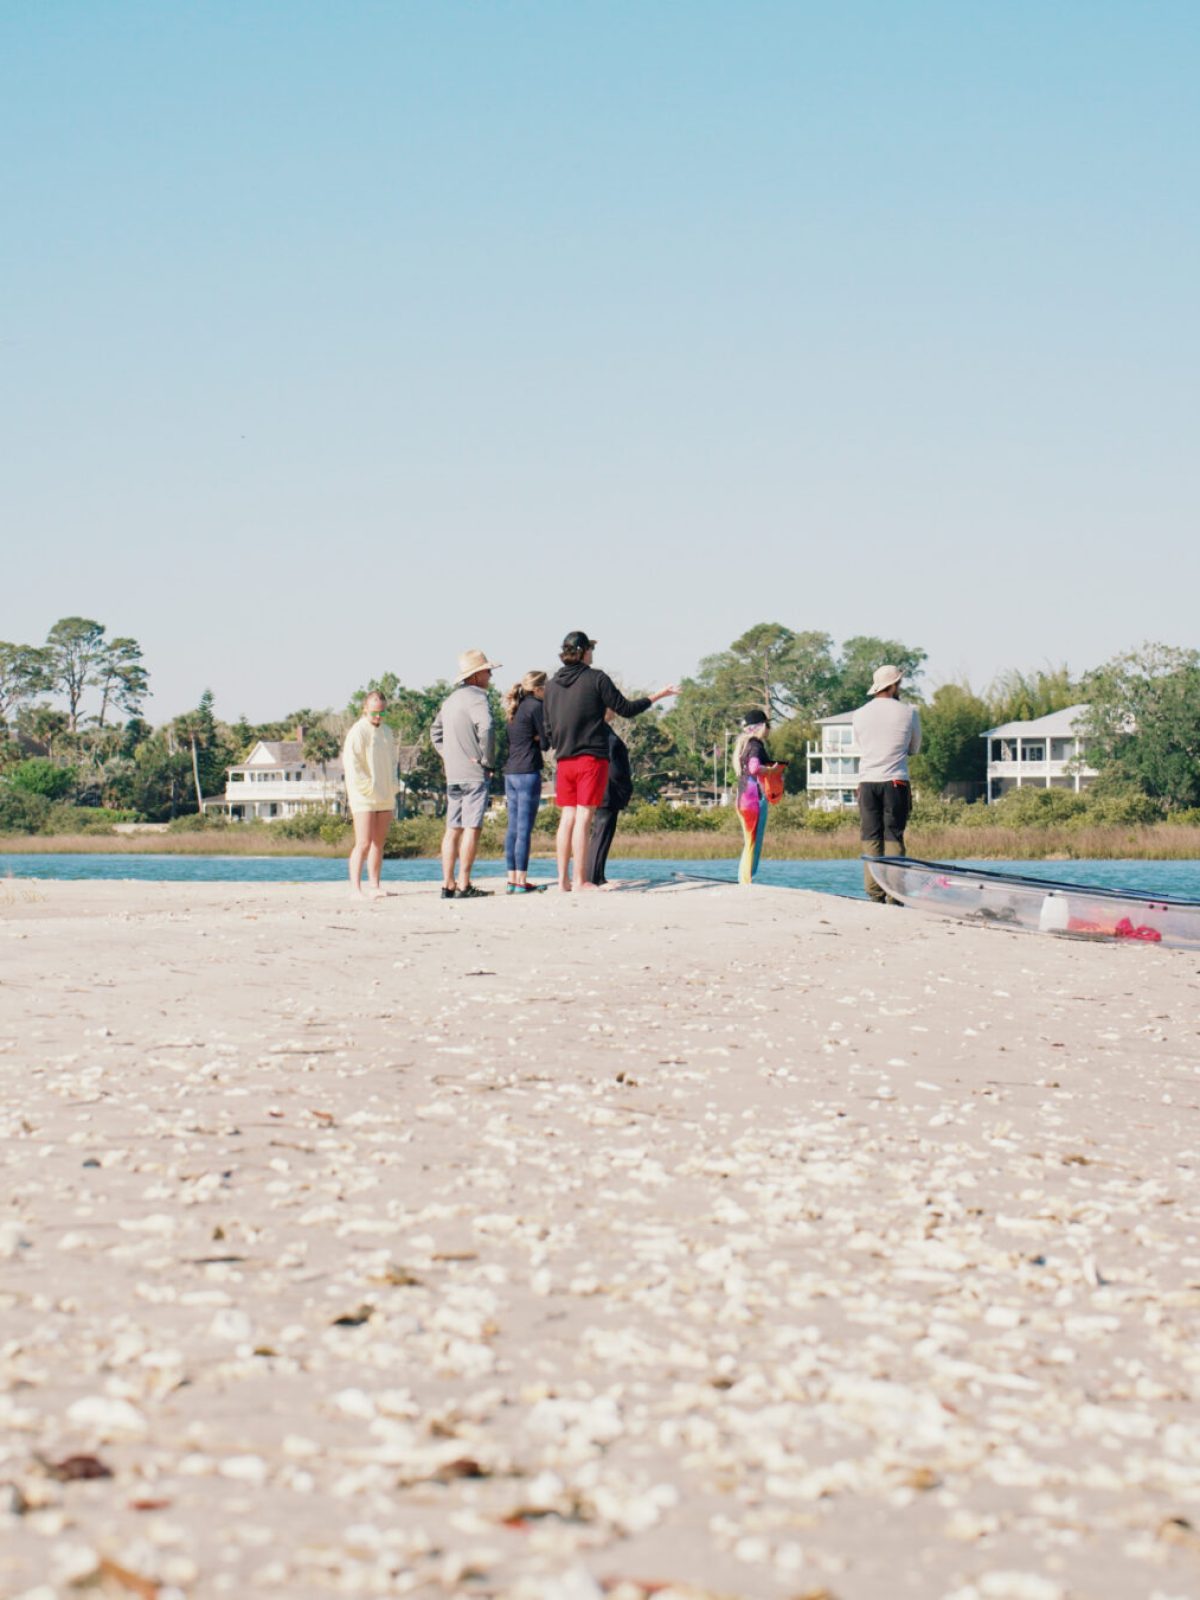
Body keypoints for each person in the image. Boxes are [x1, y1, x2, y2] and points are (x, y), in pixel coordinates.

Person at [542, 631, 678, 893]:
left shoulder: (551, 685)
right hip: (591, 758)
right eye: (590, 649)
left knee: (567, 817)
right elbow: (625, 709)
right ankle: (581, 881)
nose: (593, 654)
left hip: (563, 760)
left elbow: (547, 726)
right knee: (584, 817)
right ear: (582, 652)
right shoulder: (596, 678)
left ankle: (563, 881)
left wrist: (558, 740)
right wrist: (655, 697)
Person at [431, 648, 500, 900]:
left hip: (454, 773)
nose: (491, 675)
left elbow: (435, 732)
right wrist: (487, 761)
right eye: (486, 671)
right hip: (473, 773)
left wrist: (448, 755)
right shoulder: (478, 698)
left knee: (453, 828)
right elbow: (488, 727)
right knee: (472, 827)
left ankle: (447, 883)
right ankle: (464, 883)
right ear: (475, 676)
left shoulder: (450, 700)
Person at [851, 664, 922, 904]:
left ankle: (874, 892)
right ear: (893, 686)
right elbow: (914, 749)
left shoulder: (859, 714)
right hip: (895, 781)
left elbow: (861, 746)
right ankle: (895, 893)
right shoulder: (909, 712)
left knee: (870, 835)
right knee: (894, 835)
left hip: (867, 782)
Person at [342, 690, 398, 899]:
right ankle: (355, 888)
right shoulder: (358, 731)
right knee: (363, 842)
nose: (378, 717)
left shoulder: (387, 732)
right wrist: (367, 787)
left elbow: (392, 762)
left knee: (378, 842)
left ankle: (374, 884)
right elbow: (353, 765)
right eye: (375, 712)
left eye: (382, 713)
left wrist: (393, 785)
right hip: (363, 795)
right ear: (365, 709)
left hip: (385, 793)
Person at [502, 670, 548, 894]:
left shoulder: (515, 708)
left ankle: (511, 879)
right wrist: (539, 738)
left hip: (510, 772)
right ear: (538, 689)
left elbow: (509, 740)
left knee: (512, 829)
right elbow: (547, 742)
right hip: (528, 771)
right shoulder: (536, 707)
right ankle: (521, 880)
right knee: (524, 829)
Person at [733, 709, 786, 885]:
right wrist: (772, 770)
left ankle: (743, 878)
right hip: (753, 798)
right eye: (768, 725)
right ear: (760, 727)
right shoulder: (755, 745)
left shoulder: (744, 745)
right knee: (753, 842)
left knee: (749, 841)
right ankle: (746, 881)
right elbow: (754, 768)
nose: (770, 729)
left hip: (742, 797)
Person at [584, 709, 633, 886]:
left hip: (611, 789)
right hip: (607, 788)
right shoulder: (601, 732)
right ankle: (592, 876)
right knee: (601, 832)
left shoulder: (603, 730)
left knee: (605, 832)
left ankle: (598, 875)